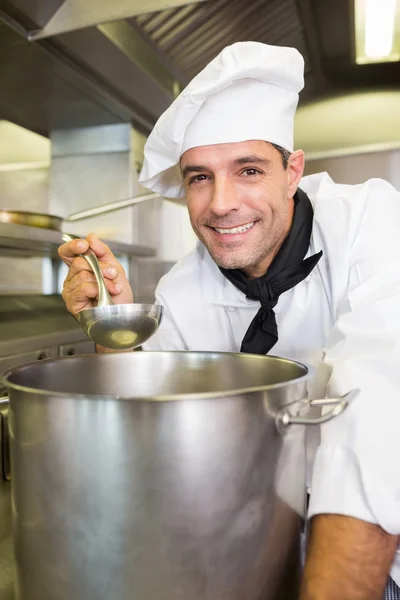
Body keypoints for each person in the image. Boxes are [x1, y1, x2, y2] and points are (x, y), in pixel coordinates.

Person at [59, 42, 400, 599]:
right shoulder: (184, 288)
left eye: (247, 170)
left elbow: (382, 413)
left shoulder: (371, 222)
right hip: (256, 545)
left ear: (292, 172)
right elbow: (156, 432)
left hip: (375, 550)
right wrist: (112, 328)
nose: (221, 204)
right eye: (199, 178)